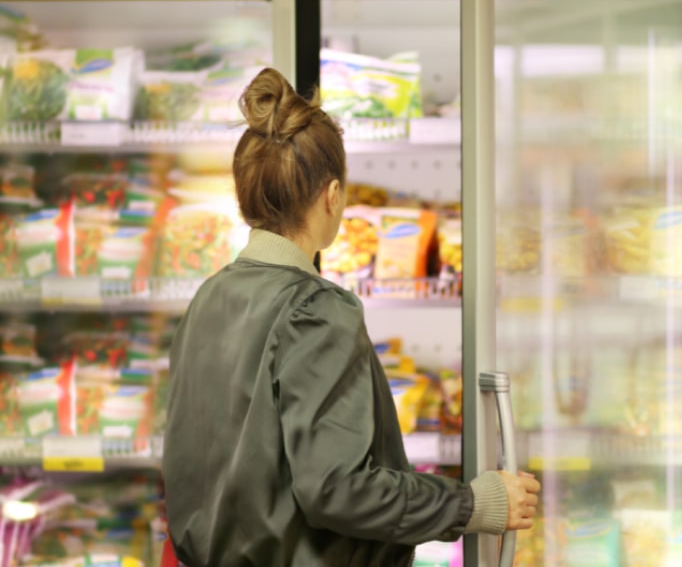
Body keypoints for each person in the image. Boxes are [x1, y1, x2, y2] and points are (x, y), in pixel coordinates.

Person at [161, 66, 541, 567]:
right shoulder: (315, 309)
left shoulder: (207, 298)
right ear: (332, 195)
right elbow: (337, 489)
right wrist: (472, 504)